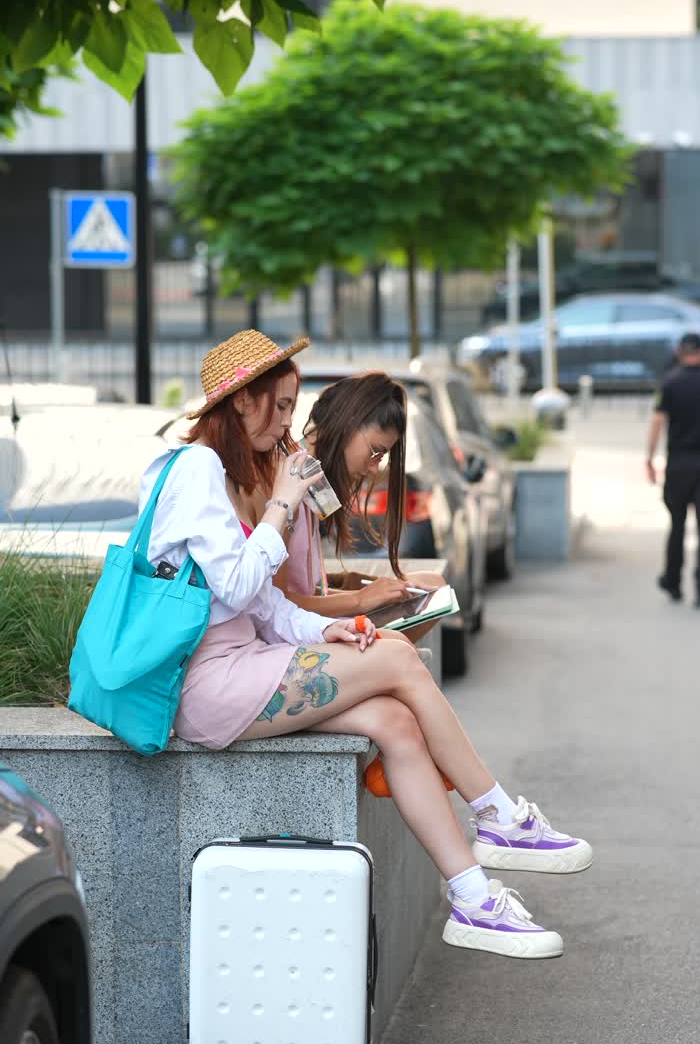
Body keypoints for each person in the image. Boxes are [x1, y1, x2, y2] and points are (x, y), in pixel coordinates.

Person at [140, 328, 592, 960]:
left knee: (395, 721)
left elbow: (267, 604)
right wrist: (283, 505)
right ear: (242, 401)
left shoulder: (231, 473)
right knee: (398, 657)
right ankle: (498, 816)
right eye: (282, 406)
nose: (289, 424)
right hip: (208, 685)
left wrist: (326, 627)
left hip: (247, 664)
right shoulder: (197, 470)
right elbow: (240, 585)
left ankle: (473, 899)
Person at [232, 371, 445, 645]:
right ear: (345, 425)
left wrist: (369, 592)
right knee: (400, 648)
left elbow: (307, 590)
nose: (374, 467)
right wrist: (359, 600)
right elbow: (276, 605)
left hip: (304, 625)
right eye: (374, 451)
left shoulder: (311, 480)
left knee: (432, 586)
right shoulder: (286, 481)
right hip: (284, 637)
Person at [647, 332, 700, 609]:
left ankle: (673, 582)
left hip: (678, 463)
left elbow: (657, 423)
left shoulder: (669, 383)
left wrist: (649, 458)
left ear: (680, 352)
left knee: (676, 526)